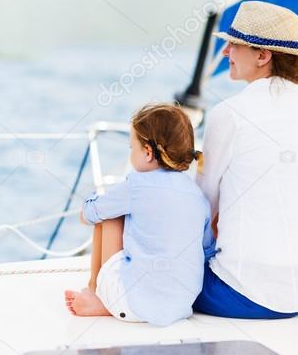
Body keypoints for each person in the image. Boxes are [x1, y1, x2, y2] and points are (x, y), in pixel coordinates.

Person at [194, 0, 298, 319]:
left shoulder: (230, 113)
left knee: (156, 273)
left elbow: (202, 202)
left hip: (246, 294)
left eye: (234, 45)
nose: (225, 54)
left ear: (263, 55)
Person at [64, 104, 211, 327]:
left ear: (148, 152)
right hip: (181, 307)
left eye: (131, 147)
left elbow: (89, 215)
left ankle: (96, 293)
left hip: (131, 304)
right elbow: (207, 247)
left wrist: (96, 199)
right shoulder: (197, 195)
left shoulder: (137, 185)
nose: (131, 153)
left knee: (109, 214)